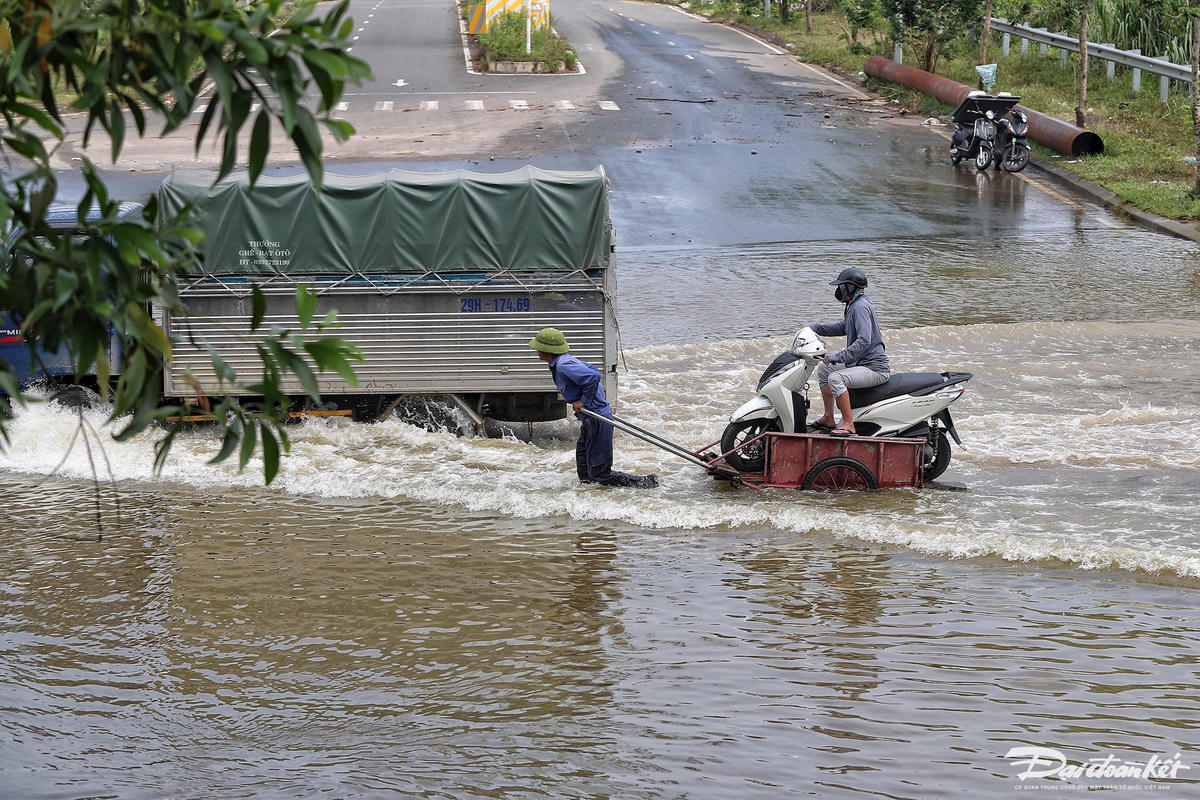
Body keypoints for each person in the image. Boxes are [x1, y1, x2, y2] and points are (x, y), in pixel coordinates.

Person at [528, 327, 659, 488]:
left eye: (538, 348)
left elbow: (593, 376)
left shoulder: (563, 365)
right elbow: (592, 369)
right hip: (590, 418)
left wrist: (584, 401)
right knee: (584, 471)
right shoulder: (564, 361)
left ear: (546, 349)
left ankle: (647, 484)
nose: (536, 351)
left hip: (597, 418)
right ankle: (590, 498)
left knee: (600, 474)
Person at [807, 267, 890, 437]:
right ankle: (829, 418)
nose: (838, 290)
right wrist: (814, 328)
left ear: (850, 287)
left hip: (874, 368)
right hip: (861, 364)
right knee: (824, 370)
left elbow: (864, 340)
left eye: (841, 286)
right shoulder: (854, 305)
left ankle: (849, 424)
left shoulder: (860, 307)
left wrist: (838, 357)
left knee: (836, 378)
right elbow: (844, 327)